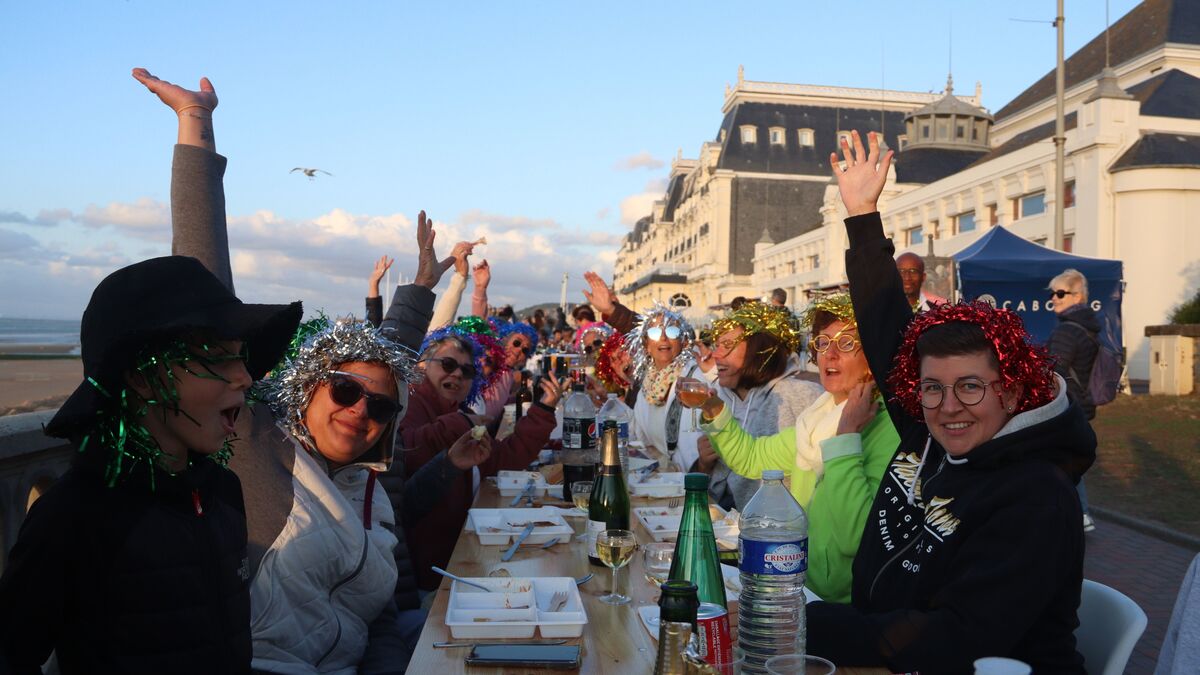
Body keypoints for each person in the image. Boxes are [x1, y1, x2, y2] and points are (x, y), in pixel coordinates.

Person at [133, 67, 487, 671]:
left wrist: (426, 282)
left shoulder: (367, 479)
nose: (361, 411)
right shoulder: (256, 447)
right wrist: (196, 126)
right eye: (344, 391)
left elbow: (389, 357)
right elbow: (204, 293)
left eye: (380, 408)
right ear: (306, 388)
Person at [807, 130, 1095, 673]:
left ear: (1010, 389)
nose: (948, 405)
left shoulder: (1035, 495)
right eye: (933, 387)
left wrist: (799, 623)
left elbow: (957, 636)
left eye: (970, 386)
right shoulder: (929, 432)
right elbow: (885, 328)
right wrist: (863, 215)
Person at [0, 257, 302, 675]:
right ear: (143, 377)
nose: (245, 377)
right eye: (217, 357)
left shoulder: (223, 491)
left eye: (242, 356)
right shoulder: (74, 516)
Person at [690, 293, 899, 602]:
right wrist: (712, 405)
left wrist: (846, 439)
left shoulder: (891, 428)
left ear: (874, 354)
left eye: (845, 344)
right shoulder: (820, 415)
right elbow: (752, 458)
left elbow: (854, 536)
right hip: (801, 588)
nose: (829, 355)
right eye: (823, 343)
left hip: (847, 609)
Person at [399, 327, 562, 590]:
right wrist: (460, 423)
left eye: (466, 371)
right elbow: (409, 449)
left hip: (461, 557)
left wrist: (544, 409)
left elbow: (503, 458)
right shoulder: (408, 403)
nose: (457, 374)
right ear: (422, 364)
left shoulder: (457, 411)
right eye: (448, 364)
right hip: (428, 578)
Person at [1047, 268, 1100, 533]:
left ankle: (1080, 514)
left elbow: (1053, 369)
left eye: (1060, 293)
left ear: (1077, 296)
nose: (1054, 299)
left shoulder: (1068, 331)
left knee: (1060, 459)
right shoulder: (1088, 327)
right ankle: (1081, 513)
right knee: (1065, 458)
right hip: (1082, 404)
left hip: (1066, 406)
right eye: (1052, 293)